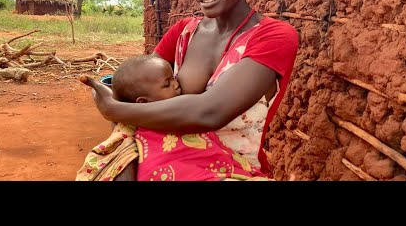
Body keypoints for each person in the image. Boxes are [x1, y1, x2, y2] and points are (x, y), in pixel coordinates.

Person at [80, 0, 299, 181]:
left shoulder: (273, 36)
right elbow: (135, 88)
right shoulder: (184, 32)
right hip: (163, 164)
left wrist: (113, 110)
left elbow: (210, 112)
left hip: (232, 172)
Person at [76, 54, 267, 181]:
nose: (176, 84)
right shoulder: (143, 130)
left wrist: (112, 106)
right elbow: (161, 167)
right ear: (142, 102)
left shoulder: (180, 114)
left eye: (174, 78)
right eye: (167, 84)